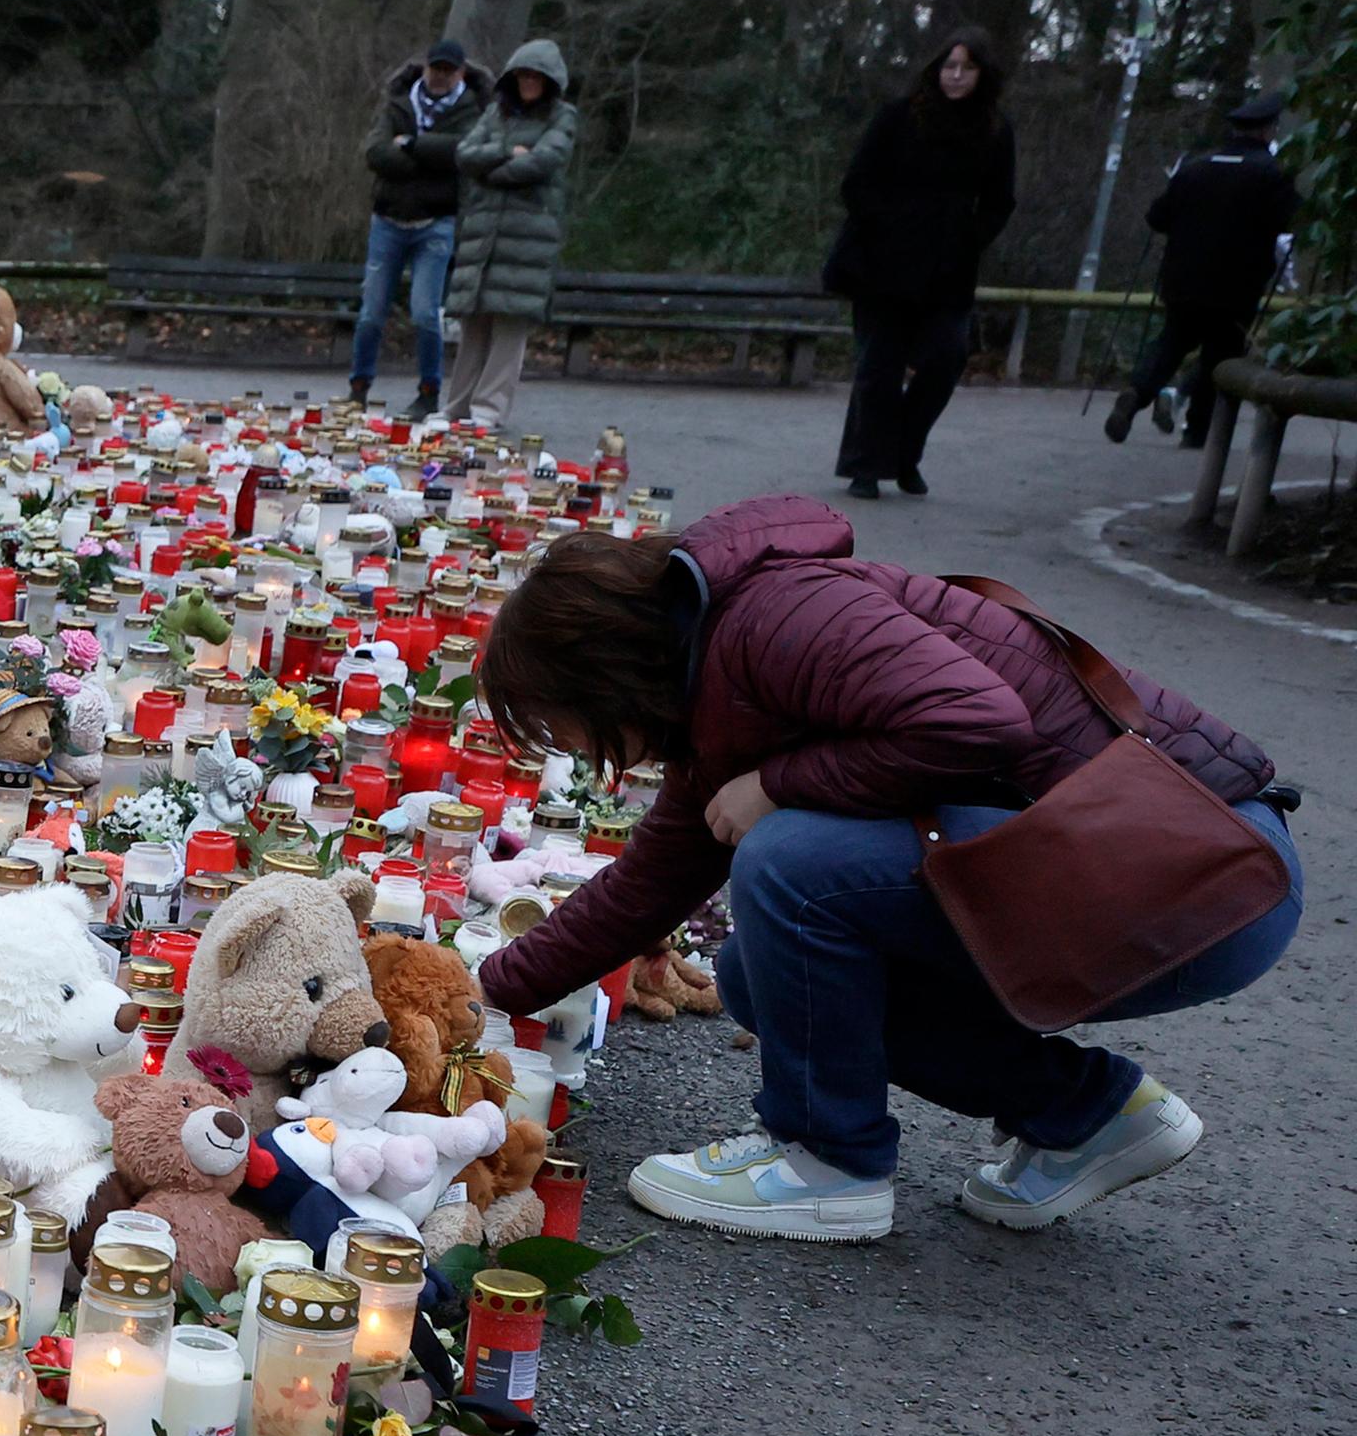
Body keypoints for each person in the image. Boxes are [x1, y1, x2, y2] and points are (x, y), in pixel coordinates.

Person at [471, 497, 1299, 1243]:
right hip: (1156, 874)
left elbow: (981, 722)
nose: (577, 750)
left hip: (1202, 878)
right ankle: (1092, 1113)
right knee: (759, 974)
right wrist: (483, 994)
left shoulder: (775, 619)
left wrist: (778, 785)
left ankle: (827, 1164)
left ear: (603, 676)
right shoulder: (715, 679)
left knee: (788, 861)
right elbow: (646, 886)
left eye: (563, 725)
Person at [825, 29, 1016, 498]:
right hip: (882, 262)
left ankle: (905, 452)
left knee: (944, 358)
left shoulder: (994, 129)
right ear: (935, 69)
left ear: (981, 74)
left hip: (949, 267)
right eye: (949, 66)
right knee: (878, 366)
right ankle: (866, 466)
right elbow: (857, 183)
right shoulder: (898, 117)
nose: (955, 76)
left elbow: (1000, 200)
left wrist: (970, 238)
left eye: (966, 67)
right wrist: (888, 225)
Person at [1109, 90, 1299, 446]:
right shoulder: (1272, 174)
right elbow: (1290, 221)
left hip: (1182, 280)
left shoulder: (1194, 168)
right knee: (1221, 356)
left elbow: (1157, 218)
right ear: (1266, 131)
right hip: (1237, 287)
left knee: (1171, 341)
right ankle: (1197, 432)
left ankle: (1137, 393)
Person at [441, 39, 575, 427]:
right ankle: (457, 407)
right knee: (473, 324)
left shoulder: (563, 116)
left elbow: (544, 161)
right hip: (483, 235)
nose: (528, 82)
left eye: (535, 76)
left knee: (509, 329)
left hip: (528, 239)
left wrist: (491, 169)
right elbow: (465, 154)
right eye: (522, 75)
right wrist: (505, 154)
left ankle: (488, 409)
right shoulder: (495, 114)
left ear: (549, 81)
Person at [353, 39, 488, 420]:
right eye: (436, 69)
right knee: (371, 313)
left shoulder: (470, 110)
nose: (440, 76)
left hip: (436, 223)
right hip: (388, 220)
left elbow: (463, 152)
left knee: (426, 313)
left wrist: (411, 146)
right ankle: (358, 388)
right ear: (426, 67)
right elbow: (375, 153)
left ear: (460, 73)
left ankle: (429, 393)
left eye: (448, 70)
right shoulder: (398, 102)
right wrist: (428, 157)